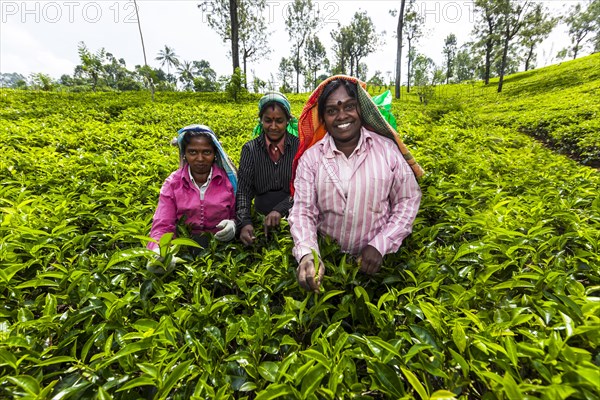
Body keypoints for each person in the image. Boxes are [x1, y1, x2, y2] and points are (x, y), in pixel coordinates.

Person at [289, 76, 424, 292]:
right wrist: (308, 253)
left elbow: (407, 199)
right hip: (329, 266)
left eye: (349, 107)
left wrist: (381, 244)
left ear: (360, 110)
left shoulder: (387, 151)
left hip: (379, 268)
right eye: (332, 110)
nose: (342, 116)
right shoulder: (311, 159)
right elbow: (303, 211)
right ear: (323, 118)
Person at [148, 124, 238, 267]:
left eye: (206, 152)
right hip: (183, 251)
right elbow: (163, 224)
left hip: (221, 249)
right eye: (193, 152)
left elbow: (238, 214)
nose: (200, 158)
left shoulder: (228, 182)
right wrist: (159, 250)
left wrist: (233, 225)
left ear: (215, 154)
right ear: (185, 153)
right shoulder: (173, 184)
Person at [236, 91, 300, 245]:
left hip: (294, 217)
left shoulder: (298, 147)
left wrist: (280, 209)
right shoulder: (250, 150)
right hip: (259, 219)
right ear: (261, 121)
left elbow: (303, 188)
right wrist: (244, 223)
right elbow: (243, 190)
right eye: (268, 120)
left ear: (287, 121)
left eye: (279, 121)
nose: (273, 126)